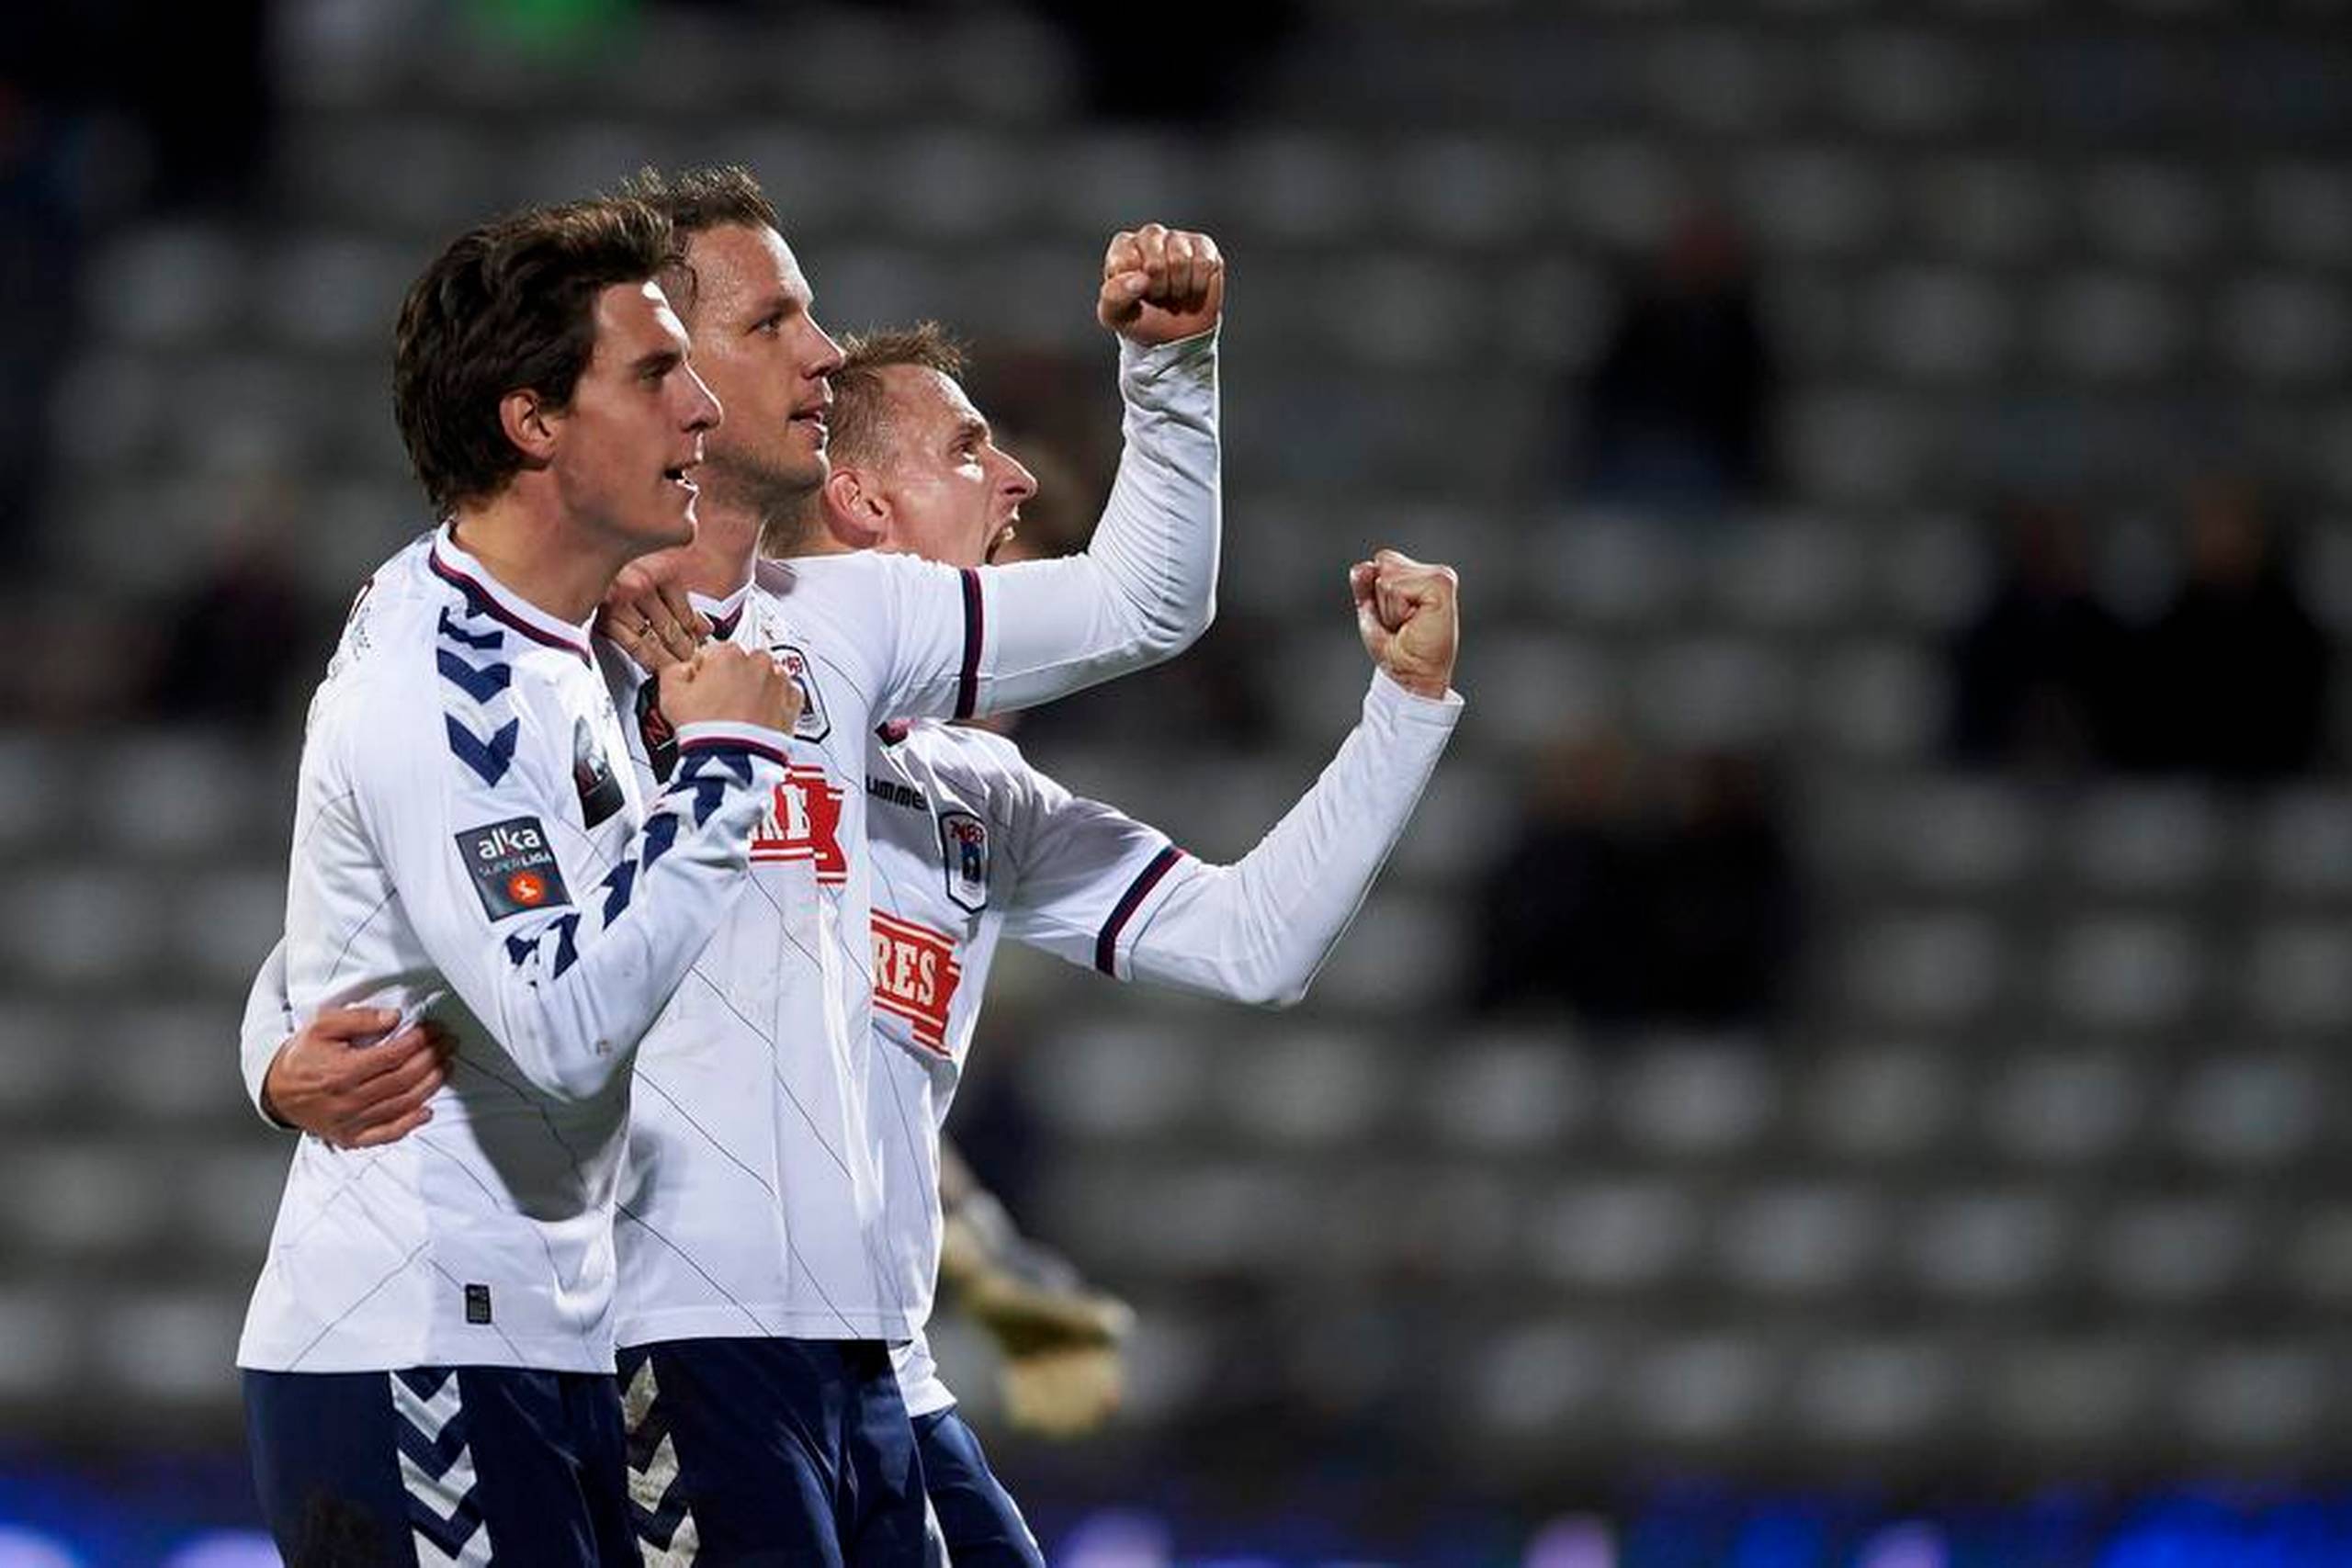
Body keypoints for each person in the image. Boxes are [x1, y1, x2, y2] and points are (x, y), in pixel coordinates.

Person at [244, 164, 1225, 1563]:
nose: (787, 369)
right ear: (542, 417)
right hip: (456, 1332)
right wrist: (722, 764)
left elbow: (409, 904)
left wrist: (1172, 374)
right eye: (729, 343)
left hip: (579, 1338)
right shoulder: (499, 665)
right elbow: (515, 973)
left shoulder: (672, 630)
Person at [645, 321, 1462, 1564]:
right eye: (968, 449)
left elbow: (1256, 942)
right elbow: (1146, 601)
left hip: (880, 1361)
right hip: (693, 1336)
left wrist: (1402, 712)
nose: (1018, 479)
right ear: (860, 501)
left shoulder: (974, 790)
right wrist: (1172, 371)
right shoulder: (702, 674)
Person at [236, 196, 803, 1563]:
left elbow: (372, 915)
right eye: (654, 375)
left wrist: (270, 1045)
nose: (701, 412)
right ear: (533, 421)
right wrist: (726, 765)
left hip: (543, 1335)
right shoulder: (446, 688)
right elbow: (558, 1018)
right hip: (424, 1342)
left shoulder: (557, 641)